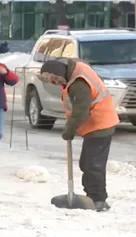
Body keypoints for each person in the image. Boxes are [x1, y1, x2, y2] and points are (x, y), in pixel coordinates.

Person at [39, 59, 119, 212]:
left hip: (100, 122)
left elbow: (81, 110)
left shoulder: (78, 82)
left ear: (59, 73)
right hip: (95, 123)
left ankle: (98, 200)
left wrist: (69, 130)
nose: (55, 83)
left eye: (54, 79)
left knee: (93, 165)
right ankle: (93, 197)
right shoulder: (73, 72)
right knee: (87, 163)